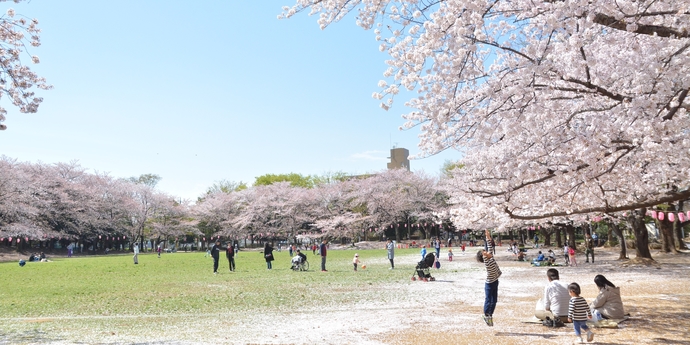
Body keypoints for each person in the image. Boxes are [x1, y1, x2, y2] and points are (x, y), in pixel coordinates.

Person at [476, 229, 501, 327]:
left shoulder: (490, 256)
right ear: (484, 257)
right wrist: (484, 253)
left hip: (495, 281)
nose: (486, 251)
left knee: (494, 300)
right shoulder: (487, 261)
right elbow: (486, 253)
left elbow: (490, 246)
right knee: (488, 299)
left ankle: (490, 315)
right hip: (489, 284)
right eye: (484, 252)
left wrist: (488, 236)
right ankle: (486, 314)